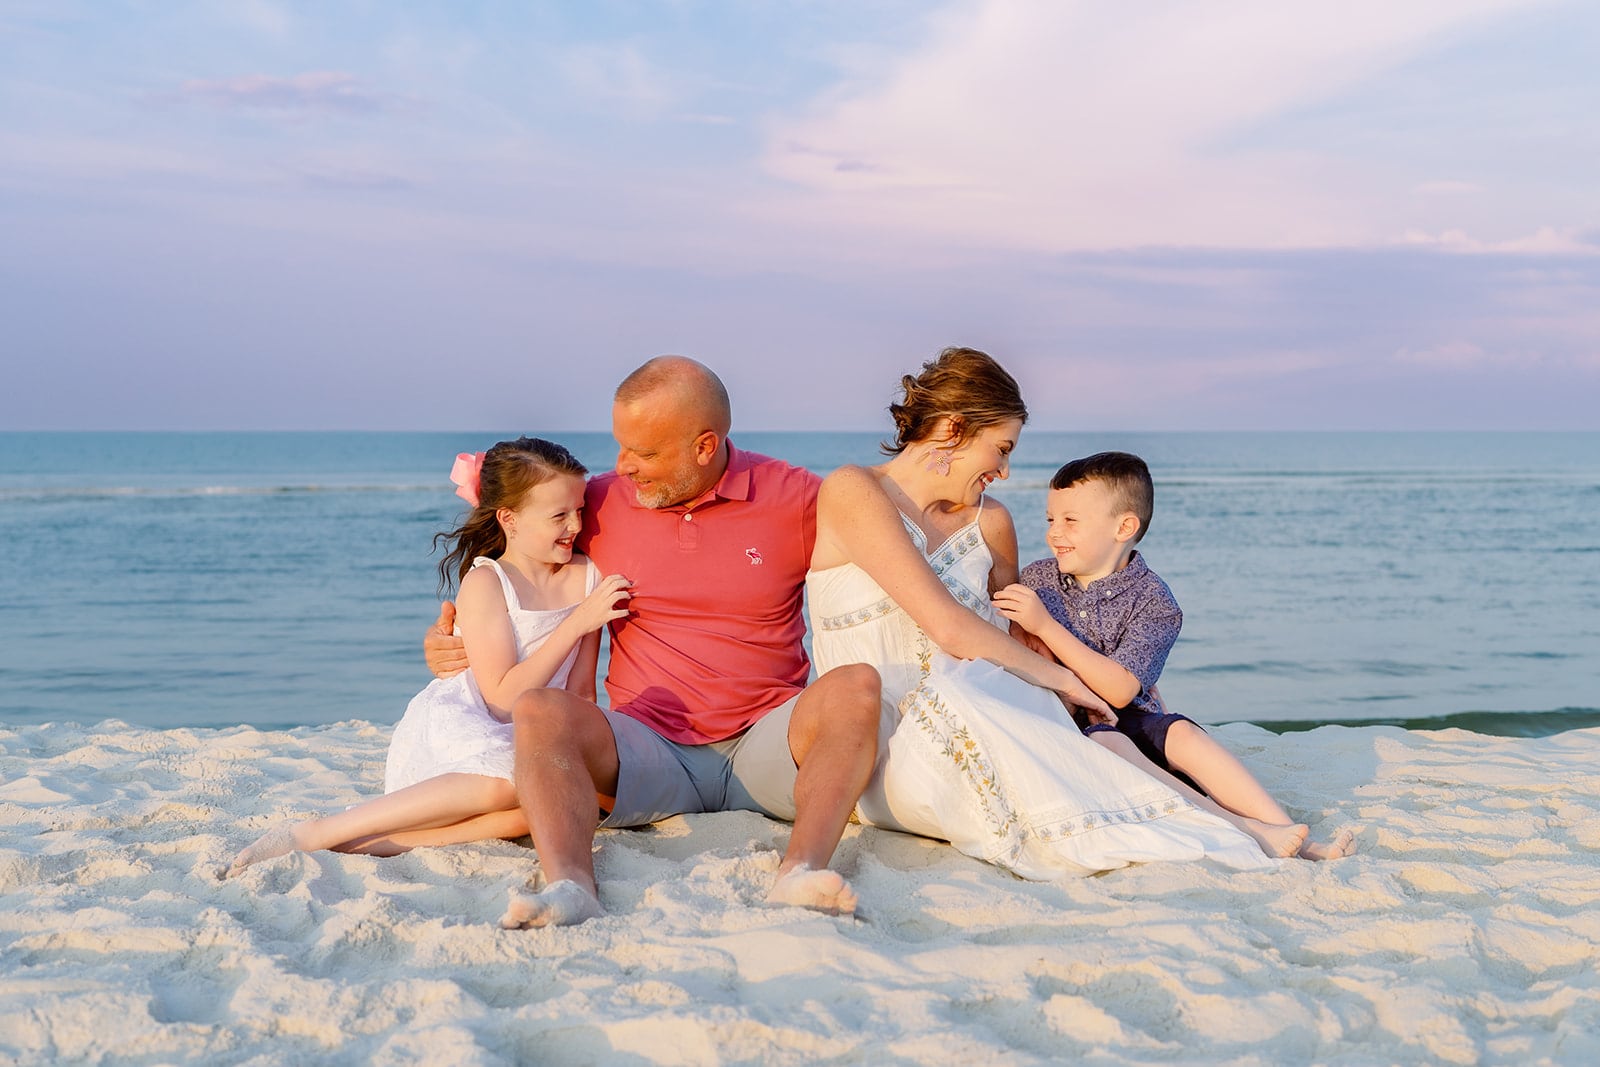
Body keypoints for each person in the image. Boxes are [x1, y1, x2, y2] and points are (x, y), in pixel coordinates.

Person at [424, 358, 881, 927]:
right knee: (541, 709)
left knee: (858, 686)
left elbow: (899, 520)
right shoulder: (600, 503)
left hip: (768, 742)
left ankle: (800, 872)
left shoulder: (797, 497)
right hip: (648, 750)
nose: (622, 467)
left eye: (643, 452)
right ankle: (572, 887)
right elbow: (513, 557)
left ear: (704, 446)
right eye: (621, 447)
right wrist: (450, 635)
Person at [807, 347, 1288, 878]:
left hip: (982, 698)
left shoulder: (991, 523)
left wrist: (1085, 685)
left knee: (1079, 737)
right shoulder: (854, 490)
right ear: (953, 428)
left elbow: (1021, 638)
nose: (1006, 471)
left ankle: (1239, 825)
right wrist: (1065, 680)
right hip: (872, 736)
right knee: (979, 704)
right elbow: (945, 623)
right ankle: (1236, 828)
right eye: (1001, 448)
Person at [222, 437, 633, 877]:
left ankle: (383, 845)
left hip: (539, 729)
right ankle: (318, 832)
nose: (575, 525)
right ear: (509, 519)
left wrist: (575, 750)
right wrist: (576, 624)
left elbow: (580, 689)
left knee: (551, 807)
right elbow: (500, 700)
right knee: (505, 785)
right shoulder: (489, 583)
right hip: (474, 722)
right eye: (559, 515)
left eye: (579, 511)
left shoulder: (587, 576)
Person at [992, 451, 1356, 861]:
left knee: (1182, 732)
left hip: (1130, 714)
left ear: (1124, 527)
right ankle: (1243, 828)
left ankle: (1294, 836)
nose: (1054, 533)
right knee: (1110, 743)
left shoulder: (1155, 601)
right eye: (1050, 520)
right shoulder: (1039, 579)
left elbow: (1121, 689)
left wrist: (1047, 627)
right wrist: (1032, 630)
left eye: (1070, 521)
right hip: (1070, 723)